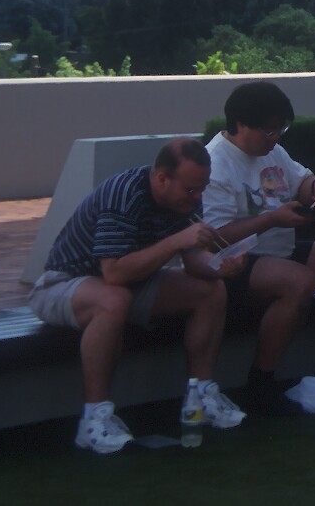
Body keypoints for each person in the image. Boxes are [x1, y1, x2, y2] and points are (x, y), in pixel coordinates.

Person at [26, 137, 248, 453]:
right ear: (162, 179)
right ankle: (94, 419)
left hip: (131, 283)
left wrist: (219, 267)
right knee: (113, 300)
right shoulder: (124, 194)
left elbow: (193, 260)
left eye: (202, 188)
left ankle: (201, 397)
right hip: (64, 283)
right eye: (190, 190)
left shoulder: (185, 198)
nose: (198, 197)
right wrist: (175, 241)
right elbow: (114, 273)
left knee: (210, 290)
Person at [201, 80, 315, 413]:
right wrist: (271, 220)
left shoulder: (272, 151)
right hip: (237, 260)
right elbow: (215, 237)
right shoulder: (215, 164)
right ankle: (262, 380)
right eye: (269, 130)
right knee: (299, 281)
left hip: (281, 249)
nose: (276, 137)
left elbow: (300, 181)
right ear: (240, 124)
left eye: (281, 129)